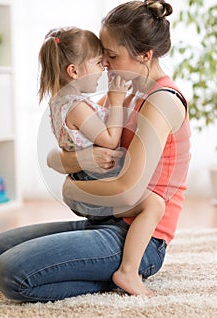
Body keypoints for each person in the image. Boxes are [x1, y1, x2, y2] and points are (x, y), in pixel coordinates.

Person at [0, 0, 191, 302]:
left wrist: (74, 192)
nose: (104, 66)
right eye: (101, 56)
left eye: (111, 56)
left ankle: (120, 275)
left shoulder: (161, 101)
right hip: (103, 220)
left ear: (144, 55)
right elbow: (56, 155)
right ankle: (90, 269)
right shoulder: (122, 94)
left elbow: (128, 191)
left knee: (11, 273)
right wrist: (80, 159)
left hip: (138, 240)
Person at [38, 26, 165, 295]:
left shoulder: (61, 101)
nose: (104, 68)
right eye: (98, 62)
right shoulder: (78, 106)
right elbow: (109, 139)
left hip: (82, 181)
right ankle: (129, 271)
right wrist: (117, 101)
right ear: (73, 71)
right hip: (93, 183)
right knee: (153, 204)